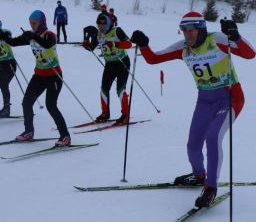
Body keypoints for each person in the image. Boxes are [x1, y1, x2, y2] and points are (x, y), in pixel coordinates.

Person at [131, 13, 255, 208]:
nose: (188, 34)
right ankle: (199, 175)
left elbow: (250, 54)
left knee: (213, 137)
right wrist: (144, 45)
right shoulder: (183, 47)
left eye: (192, 29)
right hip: (204, 101)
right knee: (193, 145)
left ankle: (210, 187)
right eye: (185, 30)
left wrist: (235, 36)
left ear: (201, 28)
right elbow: (153, 59)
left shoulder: (217, 40)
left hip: (229, 98)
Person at [0, 10, 70, 146]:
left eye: (35, 23)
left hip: (53, 75)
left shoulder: (50, 35)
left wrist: (32, 36)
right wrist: (2, 35)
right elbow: (13, 42)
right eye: (30, 23)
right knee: (26, 102)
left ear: (41, 22)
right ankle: (28, 131)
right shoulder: (32, 35)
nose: (32, 25)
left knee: (51, 105)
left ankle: (65, 136)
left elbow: (47, 44)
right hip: (39, 75)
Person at [82, 13, 132, 124]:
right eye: (98, 24)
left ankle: (125, 115)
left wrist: (115, 44)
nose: (100, 26)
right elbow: (92, 47)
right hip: (109, 64)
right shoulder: (98, 34)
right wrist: (87, 46)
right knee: (104, 88)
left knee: (120, 89)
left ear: (108, 23)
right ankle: (105, 113)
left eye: (103, 24)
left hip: (122, 62)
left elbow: (129, 44)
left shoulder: (116, 30)